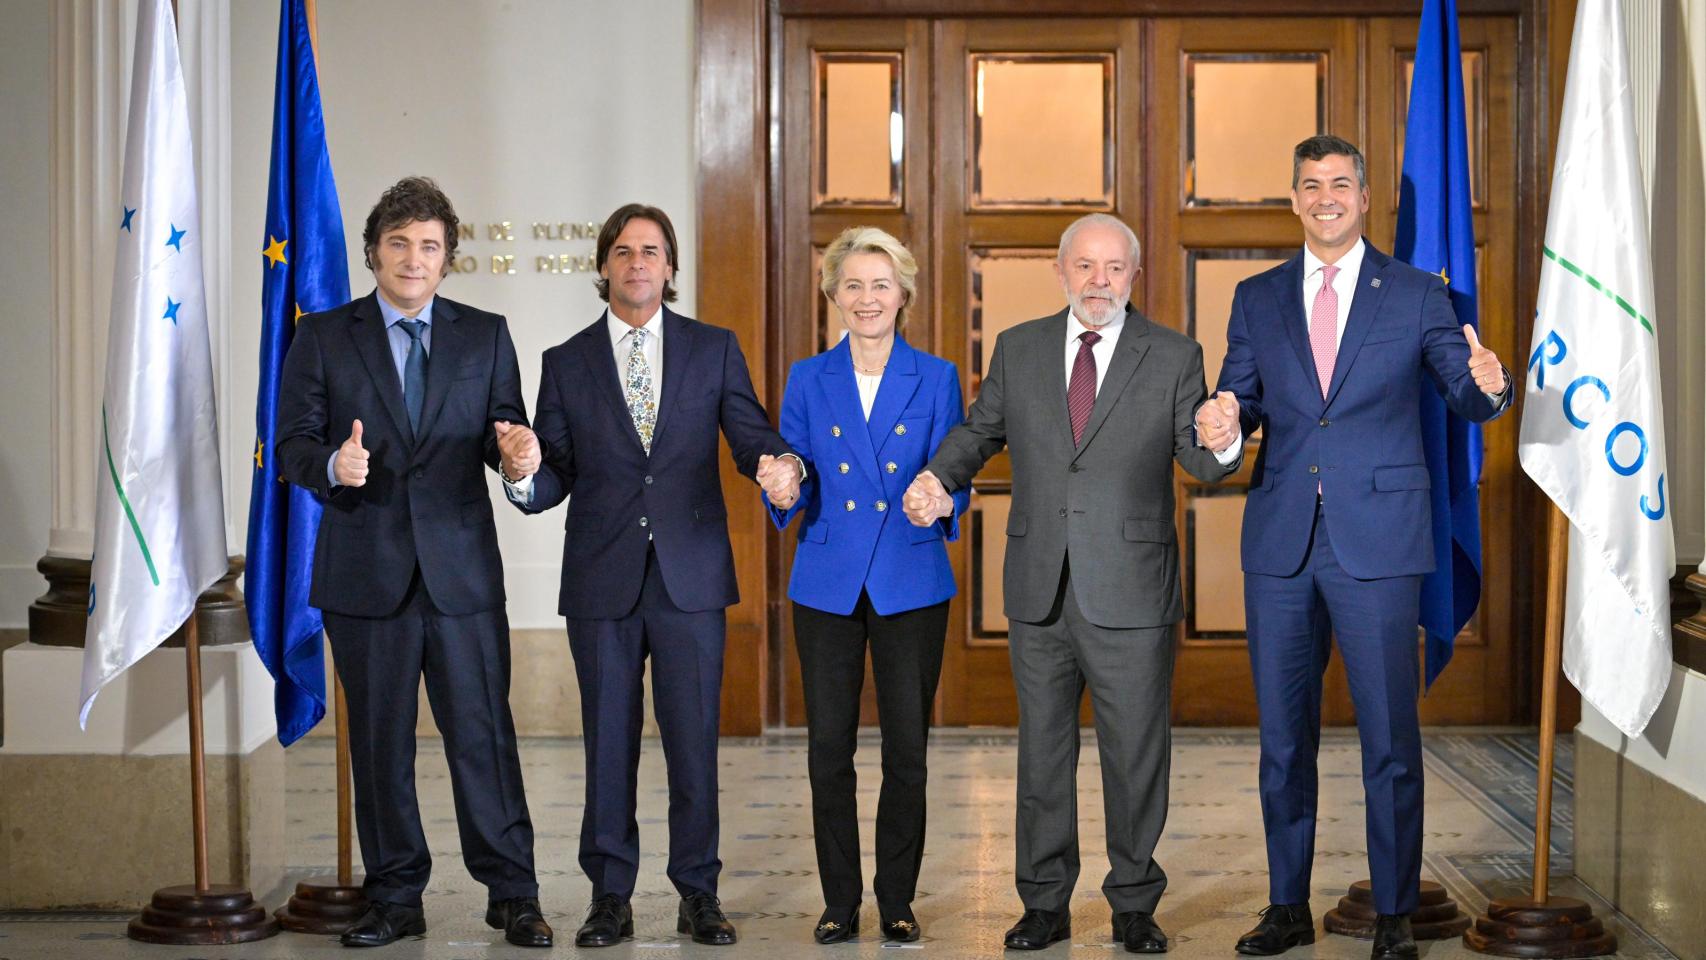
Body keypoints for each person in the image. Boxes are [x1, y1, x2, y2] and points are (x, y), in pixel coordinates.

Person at [1206, 135, 1511, 960]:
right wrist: (1224, 425)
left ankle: (1395, 916)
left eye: (1340, 183)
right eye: (1311, 185)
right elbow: (1241, 400)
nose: (1326, 198)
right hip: (1281, 544)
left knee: (1389, 741)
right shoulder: (1256, 297)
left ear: (1365, 197)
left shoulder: (1416, 293)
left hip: (1379, 542)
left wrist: (1490, 387)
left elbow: (1462, 386)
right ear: (1294, 199)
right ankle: (1286, 907)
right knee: (1283, 741)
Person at [904, 213, 1241, 954]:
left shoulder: (1174, 354)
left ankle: (1134, 906)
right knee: (1043, 754)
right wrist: (936, 477)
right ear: (1060, 271)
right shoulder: (1018, 347)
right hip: (1040, 587)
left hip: (1133, 588)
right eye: (1085, 266)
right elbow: (979, 431)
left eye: (1114, 268)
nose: (1099, 281)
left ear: (1134, 276)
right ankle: (1044, 904)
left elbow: (1201, 459)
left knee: (1136, 755)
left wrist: (1224, 439)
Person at [498, 203, 803, 948]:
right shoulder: (566, 361)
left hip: (689, 577)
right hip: (601, 581)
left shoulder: (713, 348)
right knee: (608, 744)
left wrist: (779, 465)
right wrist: (522, 473)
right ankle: (610, 897)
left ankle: (699, 893)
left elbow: (751, 434)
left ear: (670, 268)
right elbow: (553, 473)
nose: (638, 262)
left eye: (652, 251)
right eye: (625, 250)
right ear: (604, 265)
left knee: (693, 743)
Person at [276, 176, 551, 949]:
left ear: (447, 259)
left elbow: (506, 434)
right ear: (373, 253)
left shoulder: (485, 335)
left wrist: (519, 457)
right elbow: (291, 445)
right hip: (365, 577)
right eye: (398, 243)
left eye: (429, 245)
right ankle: (396, 898)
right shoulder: (324, 336)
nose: (413, 258)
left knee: (483, 739)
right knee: (380, 747)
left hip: (461, 577)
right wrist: (333, 466)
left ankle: (514, 894)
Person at [764, 227, 968, 945]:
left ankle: (898, 899)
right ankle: (839, 901)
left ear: (903, 294)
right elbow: (793, 466)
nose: (867, 298)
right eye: (852, 284)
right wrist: (783, 482)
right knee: (829, 750)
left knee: (907, 750)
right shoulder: (807, 377)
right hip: (828, 581)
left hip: (910, 578)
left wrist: (943, 499)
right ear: (833, 295)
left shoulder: (936, 376)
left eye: (881, 284)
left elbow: (956, 467)